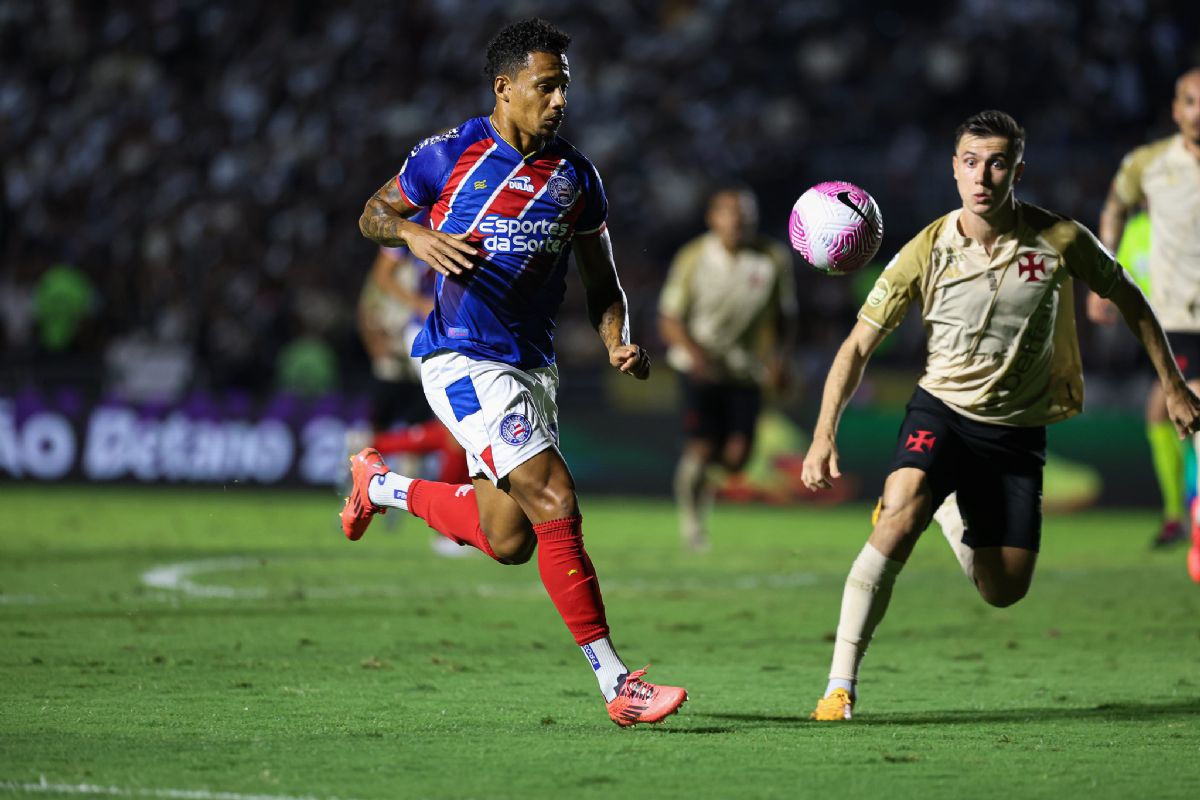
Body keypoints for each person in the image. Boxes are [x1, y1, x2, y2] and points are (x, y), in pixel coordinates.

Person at [341, 18, 687, 727]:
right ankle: (618, 684)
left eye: (565, 86)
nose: (560, 100)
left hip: (534, 367)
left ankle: (378, 484)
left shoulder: (576, 178)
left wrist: (620, 340)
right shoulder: (449, 154)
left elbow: (603, 286)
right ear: (505, 88)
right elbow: (372, 212)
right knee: (555, 495)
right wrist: (413, 231)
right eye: (546, 85)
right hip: (462, 356)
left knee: (508, 538)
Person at [801, 110, 1200, 721]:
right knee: (898, 516)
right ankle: (839, 687)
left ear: (1017, 168)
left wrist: (1172, 385)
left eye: (996, 163)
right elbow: (856, 346)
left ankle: (949, 509)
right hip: (942, 409)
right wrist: (824, 431)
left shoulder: (1061, 239)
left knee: (1004, 588)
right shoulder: (925, 249)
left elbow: (1131, 300)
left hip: (1016, 430)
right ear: (953, 168)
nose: (982, 175)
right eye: (970, 162)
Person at [1086, 68, 1200, 566]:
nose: (1199, 112)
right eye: (1191, 102)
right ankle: (1187, 517)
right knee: (1180, 409)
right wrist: (1102, 277)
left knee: (1176, 411)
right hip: (1180, 316)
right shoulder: (1149, 165)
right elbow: (1113, 208)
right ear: (1177, 110)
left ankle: (1186, 516)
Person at [658, 186, 796, 550]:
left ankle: (701, 469)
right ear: (712, 219)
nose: (737, 220)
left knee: (737, 460)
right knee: (701, 448)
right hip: (698, 366)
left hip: (744, 369)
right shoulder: (693, 257)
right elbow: (670, 318)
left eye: (744, 213)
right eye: (729, 212)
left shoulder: (771, 258)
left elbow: (784, 317)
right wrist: (695, 354)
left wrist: (779, 361)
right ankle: (692, 523)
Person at [355, 241, 472, 556]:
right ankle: (447, 532)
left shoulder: (480, 205)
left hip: (468, 333)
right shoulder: (423, 213)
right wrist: (420, 303)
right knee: (459, 434)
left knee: (463, 433)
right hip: (430, 333)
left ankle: (373, 453)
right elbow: (382, 276)